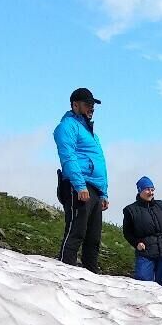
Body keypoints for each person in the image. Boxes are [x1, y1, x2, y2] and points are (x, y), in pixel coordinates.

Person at [53, 87, 109, 272]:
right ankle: (64, 271)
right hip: (78, 186)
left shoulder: (92, 133)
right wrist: (79, 185)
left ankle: (91, 276)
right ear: (75, 105)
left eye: (93, 105)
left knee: (93, 238)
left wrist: (104, 192)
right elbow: (68, 156)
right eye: (87, 104)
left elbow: (100, 163)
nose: (91, 108)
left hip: (94, 188)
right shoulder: (67, 126)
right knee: (76, 231)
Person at [121, 176, 162, 291]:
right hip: (146, 251)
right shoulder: (131, 210)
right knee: (142, 283)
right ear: (140, 190)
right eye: (147, 189)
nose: (150, 192)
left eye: (152, 189)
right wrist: (136, 243)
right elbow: (127, 232)